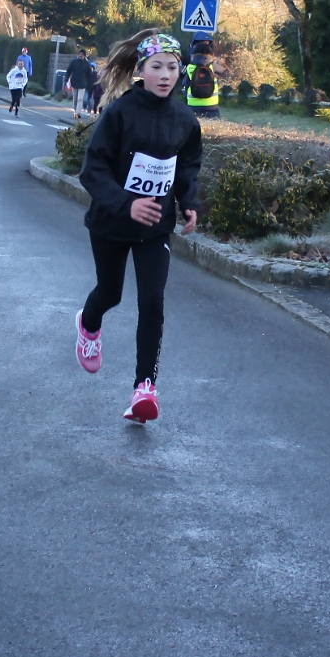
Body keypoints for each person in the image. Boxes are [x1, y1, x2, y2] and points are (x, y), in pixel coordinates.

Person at [75, 30, 202, 423]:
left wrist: (190, 203)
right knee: (110, 293)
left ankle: (144, 388)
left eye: (172, 67)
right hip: (111, 221)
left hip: (154, 227)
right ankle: (88, 324)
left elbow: (187, 167)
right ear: (140, 70)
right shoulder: (119, 113)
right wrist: (127, 204)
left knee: (152, 302)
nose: (165, 75)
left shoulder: (185, 119)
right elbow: (92, 170)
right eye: (157, 67)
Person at [185, 31, 220, 118]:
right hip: (212, 106)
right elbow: (224, 72)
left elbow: (185, 84)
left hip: (193, 106)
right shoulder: (213, 66)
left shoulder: (189, 67)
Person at [65, 49, 95, 119]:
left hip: (83, 84)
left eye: (82, 54)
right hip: (74, 83)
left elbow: (89, 75)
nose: (81, 55)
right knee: (75, 99)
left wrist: (90, 85)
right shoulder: (74, 62)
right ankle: (75, 111)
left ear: (84, 55)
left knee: (80, 99)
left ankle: (78, 113)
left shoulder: (87, 64)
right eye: (80, 54)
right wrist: (66, 79)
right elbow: (69, 71)